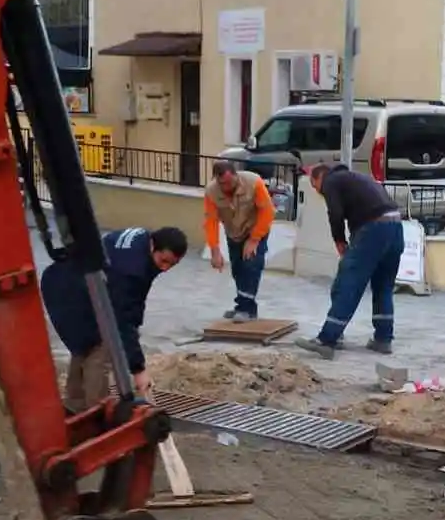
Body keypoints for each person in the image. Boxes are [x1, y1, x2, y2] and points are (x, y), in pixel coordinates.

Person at [39, 225, 188, 410]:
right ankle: (97, 412)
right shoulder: (131, 270)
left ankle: (73, 406)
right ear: (152, 246)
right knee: (103, 346)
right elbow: (124, 321)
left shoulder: (143, 239)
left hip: (68, 279)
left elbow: (134, 303)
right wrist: (138, 369)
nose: (165, 268)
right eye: (163, 261)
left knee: (84, 345)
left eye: (172, 265)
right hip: (71, 292)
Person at [294, 162, 404, 360]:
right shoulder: (356, 178)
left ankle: (328, 340)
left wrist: (339, 240)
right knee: (383, 286)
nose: (318, 192)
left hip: (373, 229)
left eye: (314, 186)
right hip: (395, 226)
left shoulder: (331, 182)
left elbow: (334, 213)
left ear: (319, 178)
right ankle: (383, 339)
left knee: (347, 284)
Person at [204, 161, 276, 322]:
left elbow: (267, 211)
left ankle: (244, 308)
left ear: (236, 175)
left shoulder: (254, 182)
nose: (227, 186)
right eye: (222, 183)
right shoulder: (211, 192)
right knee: (237, 270)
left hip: (255, 229)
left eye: (230, 182)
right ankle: (246, 306)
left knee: (251, 265)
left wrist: (254, 239)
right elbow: (211, 221)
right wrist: (215, 251)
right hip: (234, 233)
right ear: (216, 180)